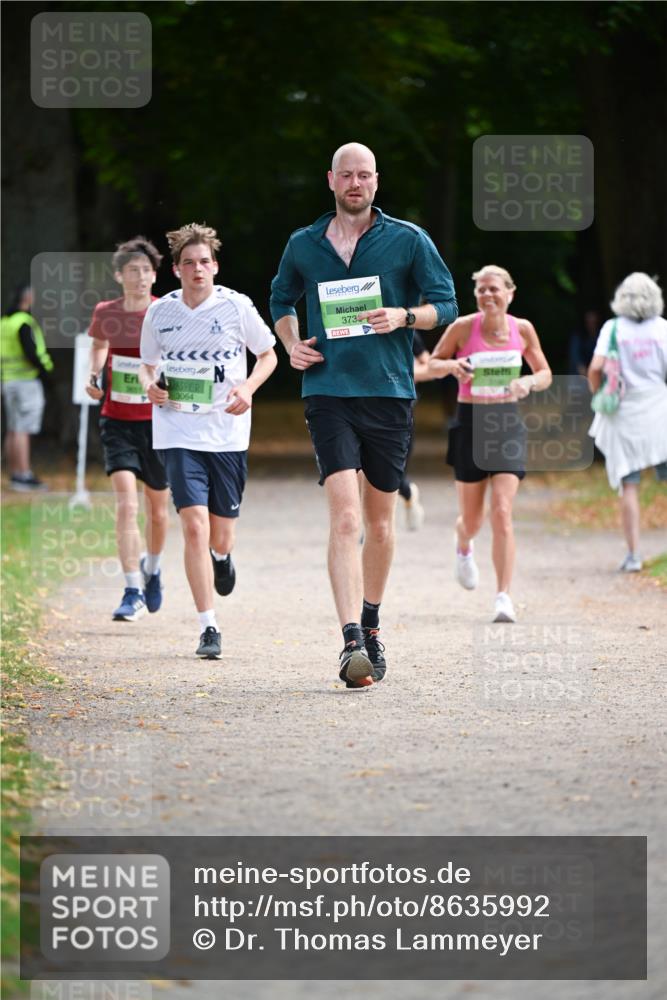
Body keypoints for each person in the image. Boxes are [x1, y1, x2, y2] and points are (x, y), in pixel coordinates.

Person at [270, 142, 457, 687]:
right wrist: (290, 344)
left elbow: (445, 303)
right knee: (345, 518)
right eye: (346, 175)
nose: (356, 183)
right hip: (327, 390)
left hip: (390, 392)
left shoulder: (407, 239)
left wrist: (404, 314)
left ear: (377, 180)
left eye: (365, 175)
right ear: (330, 180)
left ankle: (372, 622)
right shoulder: (304, 244)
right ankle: (350, 638)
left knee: (379, 522)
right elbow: (281, 298)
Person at [139, 222, 277, 659]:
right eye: (188, 263)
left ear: (214, 266)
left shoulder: (236, 307)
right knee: (193, 526)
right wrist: (150, 387)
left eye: (204, 262)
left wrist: (248, 389)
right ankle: (208, 626)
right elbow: (146, 364)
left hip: (227, 432)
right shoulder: (160, 313)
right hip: (177, 428)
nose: (197, 269)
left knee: (220, 536)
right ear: (176, 270)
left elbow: (269, 355)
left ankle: (223, 558)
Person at [429, 264, 552, 623]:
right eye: (481, 289)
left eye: (494, 289)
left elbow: (543, 373)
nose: (487, 295)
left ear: (509, 293)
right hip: (470, 423)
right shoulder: (462, 328)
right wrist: (454, 367)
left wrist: (528, 384)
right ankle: (463, 543)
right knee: (473, 519)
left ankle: (503, 597)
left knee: (502, 511)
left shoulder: (523, 329)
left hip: (507, 423)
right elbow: (433, 363)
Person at [85, 237, 170, 622]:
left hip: (159, 423)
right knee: (126, 503)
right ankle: (132, 588)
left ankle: (152, 568)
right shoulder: (107, 311)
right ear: (119, 275)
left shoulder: (166, 311)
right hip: (116, 419)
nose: (140, 277)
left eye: (146, 271)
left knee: (157, 510)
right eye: (132, 271)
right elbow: (100, 345)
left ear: (155, 275)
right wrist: (94, 374)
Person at [587, 272, 667, 572]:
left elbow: (595, 368)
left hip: (623, 411)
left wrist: (598, 395)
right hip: (659, 411)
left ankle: (633, 555)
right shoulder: (663, 329)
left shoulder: (613, 328)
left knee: (629, 484)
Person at [1, 285, 54, 491]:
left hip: (8, 380)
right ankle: (24, 475)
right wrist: (45, 372)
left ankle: (15, 473)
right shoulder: (24, 322)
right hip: (26, 382)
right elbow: (31, 353)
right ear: (28, 298)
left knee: (14, 428)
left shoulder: (5, 322)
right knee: (23, 429)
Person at [397, 331, 431, 531]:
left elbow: (429, 366)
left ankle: (409, 493)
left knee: (394, 477)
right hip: (358, 409)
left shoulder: (408, 332)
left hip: (400, 412)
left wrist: (400, 371)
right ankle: (369, 527)